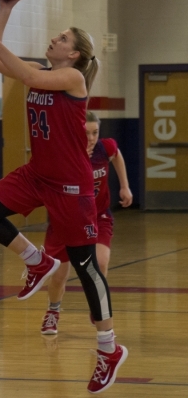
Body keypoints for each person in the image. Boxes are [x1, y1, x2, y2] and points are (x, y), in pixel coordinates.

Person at [0, 0, 128, 394]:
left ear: (73, 54)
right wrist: (5, 7)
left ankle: (108, 349)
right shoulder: (41, 71)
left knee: (86, 266)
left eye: (62, 37)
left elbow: (26, 75)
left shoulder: (73, 79)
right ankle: (36, 260)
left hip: (72, 185)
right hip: (38, 174)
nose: (54, 39)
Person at [41, 110, 133, 335]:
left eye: (95, 133)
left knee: (101, 262)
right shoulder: (64, 153)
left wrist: (124, 185)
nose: (91, 138)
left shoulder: (105, 147)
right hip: (65, 220)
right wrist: (78, 157)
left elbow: (117, 155)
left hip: (98, 216)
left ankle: (97, 306)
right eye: (86, 133)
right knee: (59, 275)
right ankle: (53, 311)